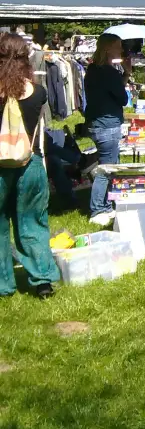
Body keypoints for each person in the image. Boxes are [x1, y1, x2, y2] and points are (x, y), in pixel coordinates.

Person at [0, 33, 60, 299]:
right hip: (31, 163)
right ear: (26, 58)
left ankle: (4, 285)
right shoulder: (39, 93)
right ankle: (42, 281)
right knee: (33, 222)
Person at [85, 34, 131, 227]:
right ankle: (97, 209)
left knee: (108, 164)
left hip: (96, 122)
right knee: (106, 169)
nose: (121, 51)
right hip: (108, 124)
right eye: (118, 47)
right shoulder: (108, 72)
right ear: (109, 49)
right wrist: (125, 75)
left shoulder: (92, 69)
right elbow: (122, 98)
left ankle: (104, 204)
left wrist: (125, 74)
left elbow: (108, 90)